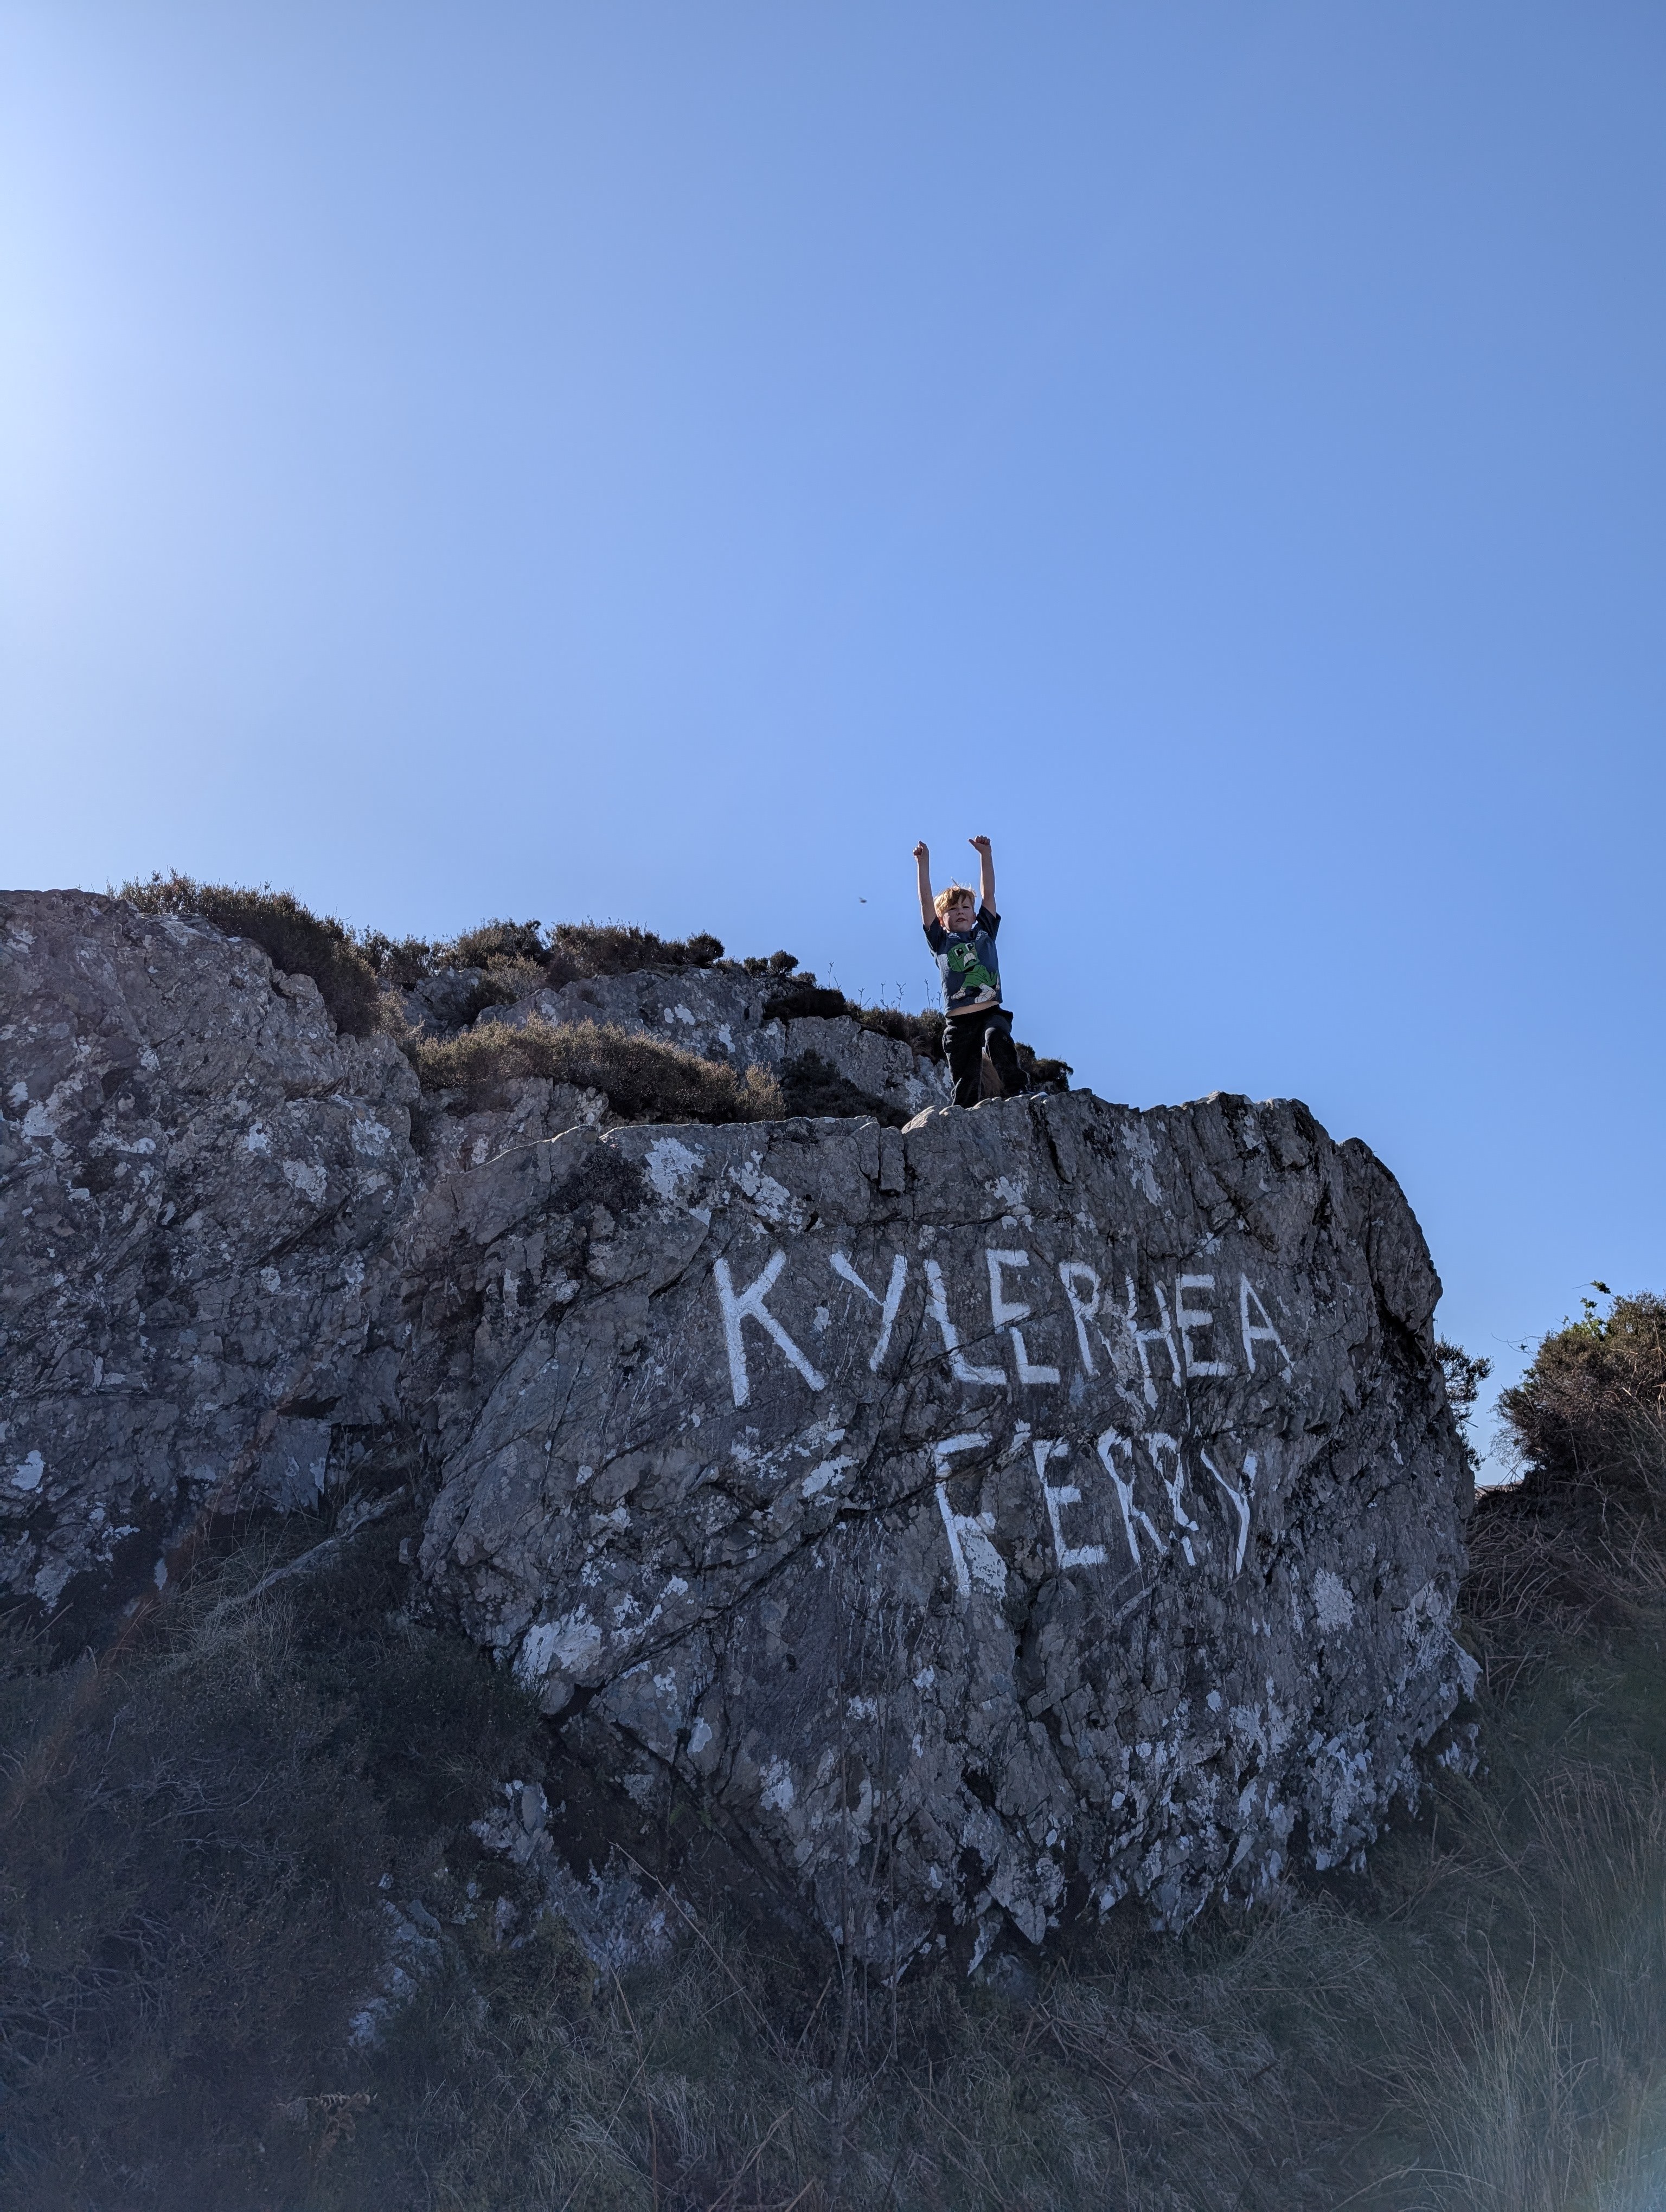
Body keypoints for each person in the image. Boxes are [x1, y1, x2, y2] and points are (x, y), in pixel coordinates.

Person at [914, 835, 1027, 1109]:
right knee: (965, 1083)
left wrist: (985, 855)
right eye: (953, 909)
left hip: (991, 1012)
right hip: (959, 1023)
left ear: (975, 914)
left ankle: (1021, 1095)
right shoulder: (941, 941)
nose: (961, 912)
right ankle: (961, 1120)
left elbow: (989, 894)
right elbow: (927, 903)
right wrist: (923, 863)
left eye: (966, 907)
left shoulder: (985, 932)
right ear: (943, 920)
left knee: (996, 1038)